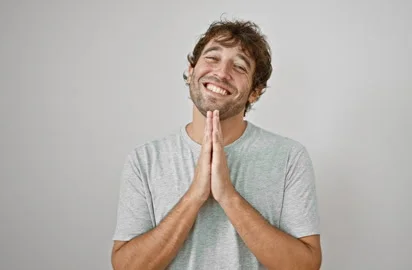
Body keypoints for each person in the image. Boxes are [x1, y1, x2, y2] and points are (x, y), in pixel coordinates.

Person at [110, 18, 322, 270]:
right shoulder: (145, 159)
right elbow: (126, 267)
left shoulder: (289, 157)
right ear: (191, 70)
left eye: (240, 67)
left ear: (255, 92)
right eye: (212, 58)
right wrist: (195, 196)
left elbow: (305, 266)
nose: (221, 73)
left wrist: (228, 196)